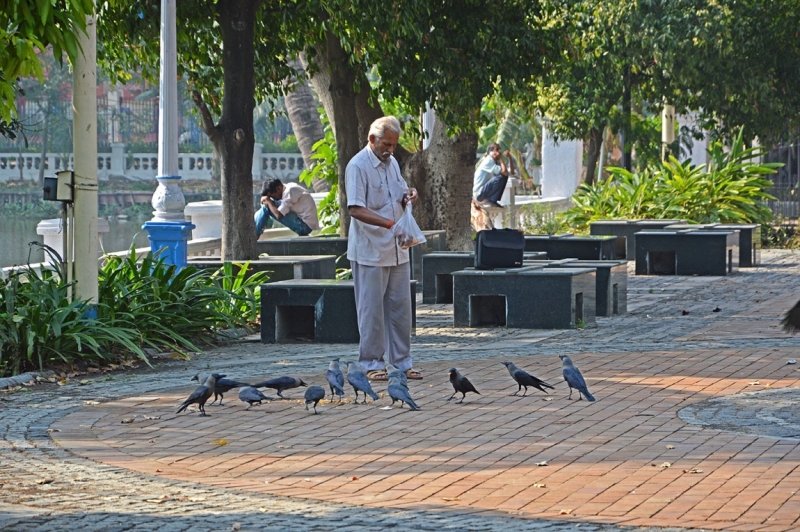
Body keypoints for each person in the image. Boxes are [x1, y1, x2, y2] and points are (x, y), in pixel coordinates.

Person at [345, 116, 423, 382]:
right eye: (386, 144)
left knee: (401, 308)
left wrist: (409, 193)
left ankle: (403, 362)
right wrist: (390, 224)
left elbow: (399, 192)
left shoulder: (392, 164)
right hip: (370, 249)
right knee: (371, 310)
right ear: (372, 140)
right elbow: (355, 208)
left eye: (393, 145)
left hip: (398, 247)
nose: (390, 149)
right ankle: (371, 363)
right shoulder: (358, 166)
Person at [254, 179, 320, 238]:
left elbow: (279, 215)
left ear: (278, 188)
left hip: (304, 226)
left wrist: (268, 201)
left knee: (267, 207)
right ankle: (254, 230)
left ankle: (253, 235)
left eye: (273, 196)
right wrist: (268, 201)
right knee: (268, 205)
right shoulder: (288, 187)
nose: (273, 198)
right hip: (304, 224)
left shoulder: (289, 191)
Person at [473, 143, 514, 208]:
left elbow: (511, 172)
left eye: (499, 150)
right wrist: (500, 158)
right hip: (479, 193)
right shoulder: (488, 160)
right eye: (497, 149)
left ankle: (491, 200)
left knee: (503, 176)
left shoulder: (494, 162)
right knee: (501, 177)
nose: (499, 152)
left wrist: (510, 158)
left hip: (483, 192)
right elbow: (504, 172)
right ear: (490, 152)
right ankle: (490, 200)